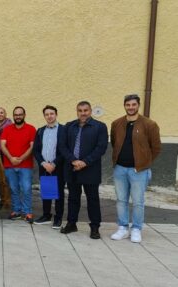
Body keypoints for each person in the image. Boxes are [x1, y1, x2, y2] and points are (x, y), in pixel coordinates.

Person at [110, 94, 161, 243]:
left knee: (138, 201)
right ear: (124, 106)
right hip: (120, 168)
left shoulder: (149, 124)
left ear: (138, 105)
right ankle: (123, 228)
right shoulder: (117, 123)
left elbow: (156, 147)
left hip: (139, 170)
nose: (131, 107)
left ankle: (137, 228)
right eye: (128, 105)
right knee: (121, 200)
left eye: (133, 104)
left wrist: (145, 162)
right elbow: (114, 142)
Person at [59, 101, 108, 239]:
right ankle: (71, 223)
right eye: (80, 110)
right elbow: (62, 146)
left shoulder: (100, 127)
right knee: (73, 198)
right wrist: (74, 161)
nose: (83, 113)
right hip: (72, 168)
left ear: (90, 111)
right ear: (77, 111)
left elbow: (101, 148)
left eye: (85, 110)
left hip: (90, 169)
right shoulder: (69, 126)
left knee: (93, 199)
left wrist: (85, 162)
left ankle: (95, 227)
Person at [1, 106, 36, 223]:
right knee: (14, 189)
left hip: (25, 165)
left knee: (26, 189)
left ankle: (27, 212)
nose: (18, 117)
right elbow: (2, 145)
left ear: (24, 115)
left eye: (20, 114)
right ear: (13, 116)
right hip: (10, 165)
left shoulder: (31, 129)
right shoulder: (7, 129)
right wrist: (11, 158)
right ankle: (16, 211)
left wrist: (20, 159)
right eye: (16, 115)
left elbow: (32, 146)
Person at [32, 105, 65, 228]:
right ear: (44, 116)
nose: (49, 116)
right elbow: (36, 150)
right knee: (46, 192)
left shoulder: (63, 129)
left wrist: (54, 163)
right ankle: (46, 215)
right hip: (44, 166)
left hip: (58, 166)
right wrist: (43, 163)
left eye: (51, 113)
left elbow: (65, 150)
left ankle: (58, 217)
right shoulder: (40, 131)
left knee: (59, 193)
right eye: (46, 114)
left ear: (56, 114)